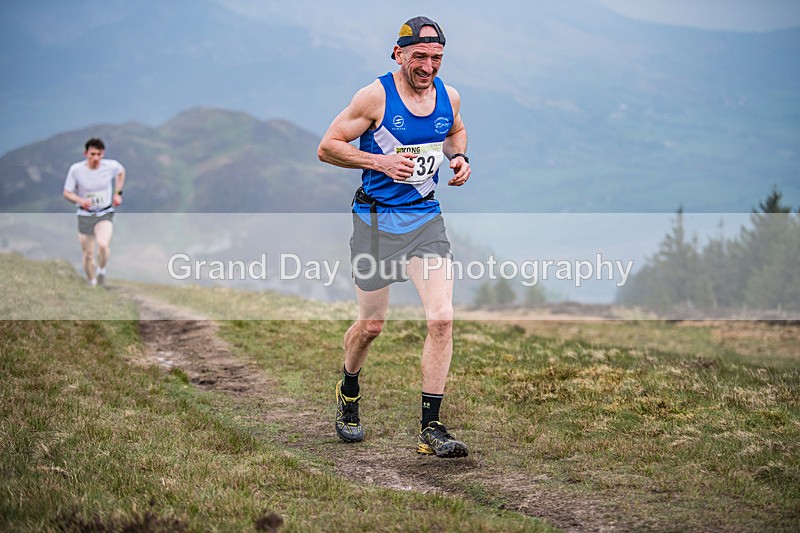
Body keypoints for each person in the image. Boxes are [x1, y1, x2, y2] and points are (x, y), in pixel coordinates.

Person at [318, 16, 471, 458]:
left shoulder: (449, 96)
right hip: (376, 222)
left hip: (425, 219)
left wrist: (459, 158)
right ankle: (348, 390)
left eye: (436, 58)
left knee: (442, 319)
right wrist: (380, 163)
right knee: (372, 326)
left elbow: (455, 129)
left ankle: (432, 427)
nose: (428, 66)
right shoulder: (375, 97)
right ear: (398, 53)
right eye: (419, 57)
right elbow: (327, 146)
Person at [62, 138, 125, 287]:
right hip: (85, 215)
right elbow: (66, 192)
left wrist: (118, 193)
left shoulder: (111, 166)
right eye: (92, 154)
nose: (96, 158)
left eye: (99, 154)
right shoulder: (76, 170)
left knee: (103, 245)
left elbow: (121, 172)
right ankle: (92, 282)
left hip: (104, 212)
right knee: (88, 254)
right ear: (86, 153)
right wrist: (79, 200)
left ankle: (101, 271)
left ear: (103, 154)